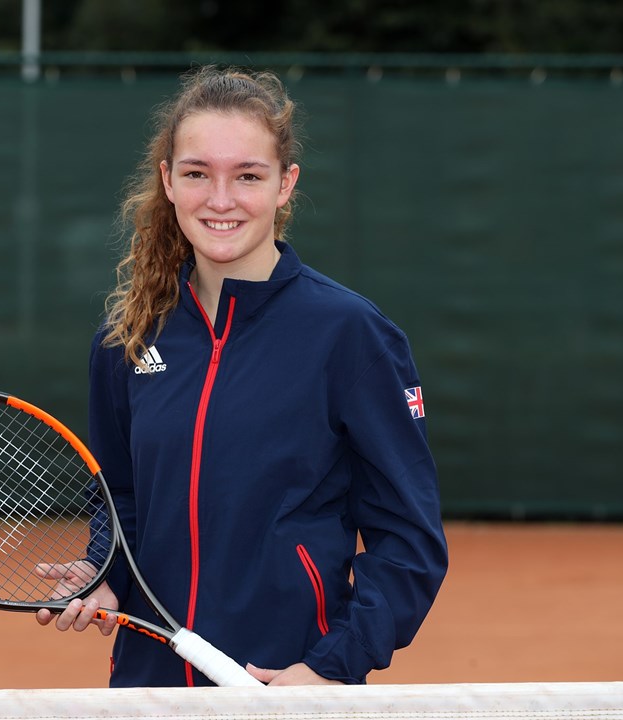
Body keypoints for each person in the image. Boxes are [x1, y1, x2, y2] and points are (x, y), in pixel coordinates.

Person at [36, 65, 447, 687]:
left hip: (286, 681)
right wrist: (104, 575)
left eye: (248, 176)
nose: (220, 199)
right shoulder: (127, 337)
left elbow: (408, 539)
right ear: (168, 182)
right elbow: (121, 497)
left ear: (286, 185)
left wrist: (329, 667)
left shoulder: (350, 334)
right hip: (149, 685)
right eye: (198, 173)